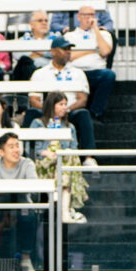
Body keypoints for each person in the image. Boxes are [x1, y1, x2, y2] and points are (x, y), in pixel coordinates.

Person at [25, 36, 97, 167]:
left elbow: (82, 100)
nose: (68, 52)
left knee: (83, 114)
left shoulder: (78, 73)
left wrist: (65, 109)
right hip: (46, 113)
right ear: (53, 51)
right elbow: (34, 100)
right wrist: (50, 110)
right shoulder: (40, 73)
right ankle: (25, 156)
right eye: (64, 49)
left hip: (69, 111)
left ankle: (88, 157)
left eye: (69, 49)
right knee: (31, 113)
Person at [0, 132, 40, 271]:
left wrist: (1, 187)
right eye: (11, 147)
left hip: (22, 203)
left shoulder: (27, 163)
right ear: (1, 151)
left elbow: (33, 185)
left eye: (17, 146)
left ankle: (26, 258)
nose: (16, 150)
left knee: (27, 217)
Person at [30, 91, 90, 223]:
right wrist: (49, 153)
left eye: (65, 104)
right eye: (61, 104)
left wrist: (60, 154)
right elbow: (36, 150)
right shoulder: (38, 123)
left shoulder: (70, 127)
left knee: (67, 156)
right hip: (45, 163)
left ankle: (60, 199)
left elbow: (74, 148)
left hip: (62, 165)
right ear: (52, 105)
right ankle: (65, 212)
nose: (65, 107)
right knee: (64, 157)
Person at [66, 5, 116, 121]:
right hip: (75, 72)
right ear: (78, 17)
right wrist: (92, 50)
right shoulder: (70, 36)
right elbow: (69, 57)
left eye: (92, 15)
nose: (89, 18)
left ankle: (95, 113)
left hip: (96, 71)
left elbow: (105, 51)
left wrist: (96, 30)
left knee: (109, 75)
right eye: (85, 15)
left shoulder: (104, 34)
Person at [12, 11, 53, 81]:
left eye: (46, 20)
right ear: (32, 25)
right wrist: (45, 53)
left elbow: (57, 54)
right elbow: (18, 55)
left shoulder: (55, 39)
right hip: (29, 72)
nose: (44, 23)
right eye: (40, 20)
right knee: (25, 62)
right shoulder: (23, 39)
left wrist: (33, 50)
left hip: (49, 72)